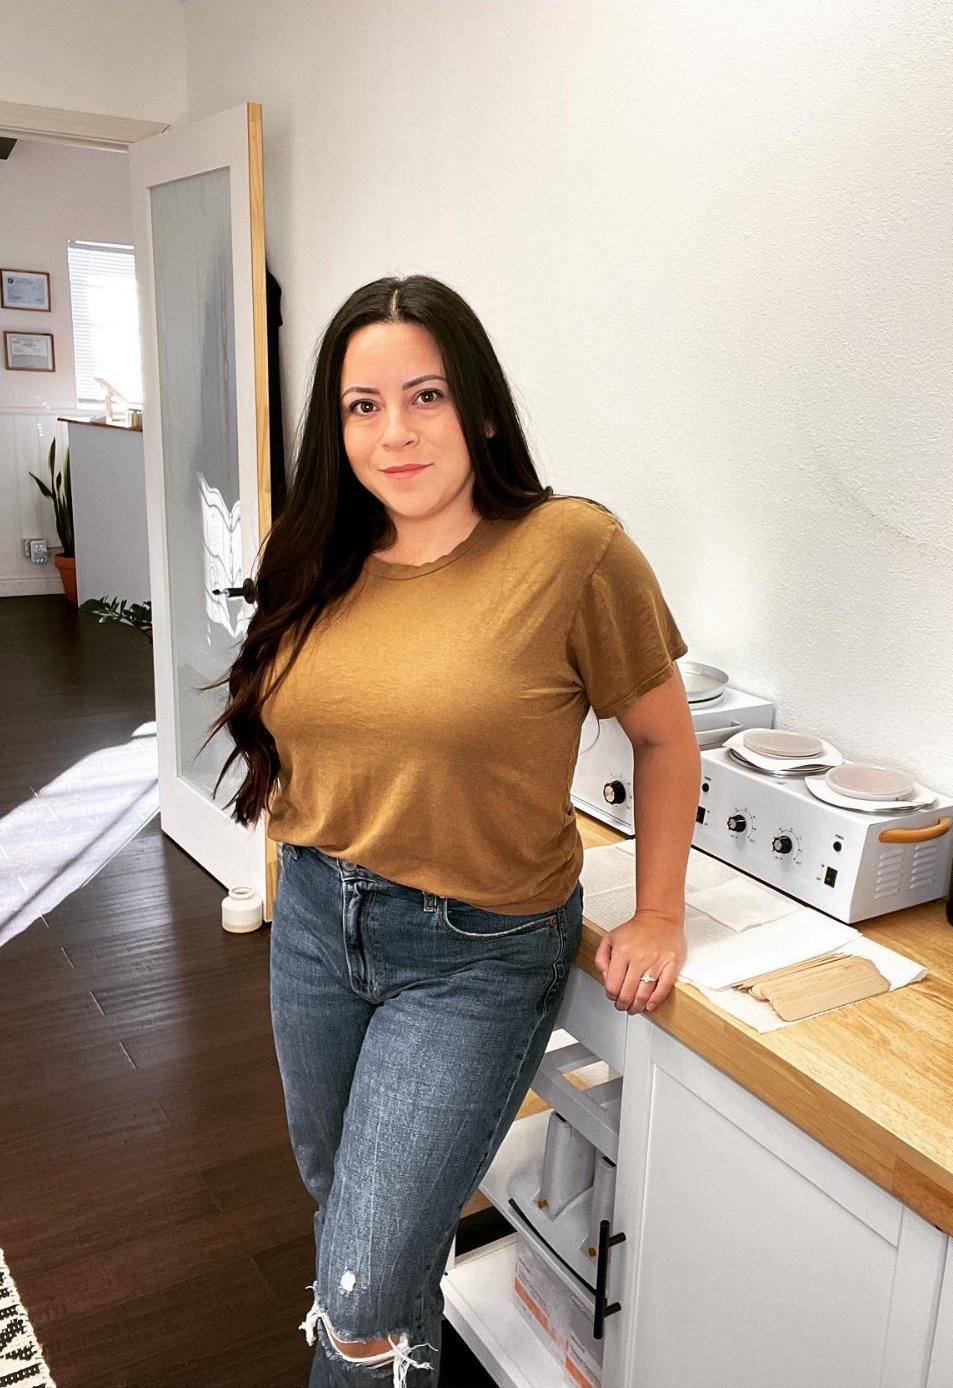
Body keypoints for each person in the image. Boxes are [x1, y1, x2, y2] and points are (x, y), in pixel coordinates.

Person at [211, 275, 700, 1385]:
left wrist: (661, 909)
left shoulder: (571, 549)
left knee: (358, 1293)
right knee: (356, 1217)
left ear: (477, 406)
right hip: (312, 922)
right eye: (361, 405)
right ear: (335, 429)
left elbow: (666, 740)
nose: (394, 431)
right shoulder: (317, 555)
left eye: (424, 394)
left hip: (473, 951)